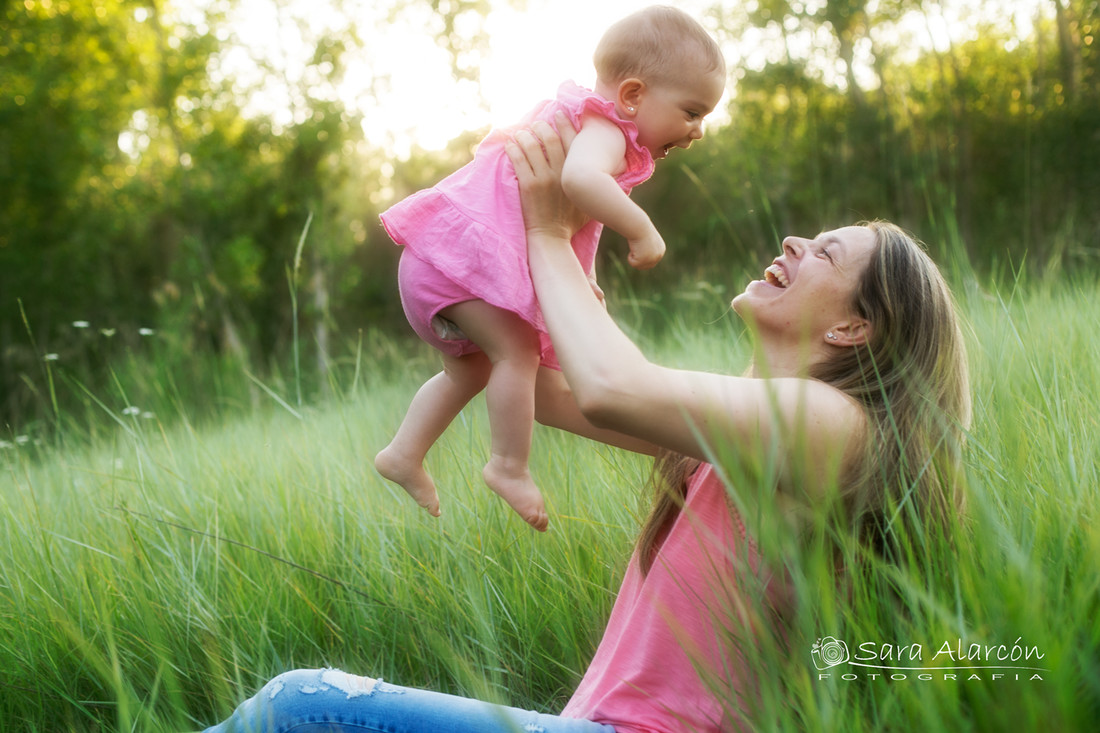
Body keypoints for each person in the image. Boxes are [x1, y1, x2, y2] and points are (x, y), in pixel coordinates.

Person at [202, 117, 971, 731]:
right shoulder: (744, 428)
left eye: (826, 253)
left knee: (301, 705)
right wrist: (467, 272)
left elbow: (608, 386)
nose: (795, 242)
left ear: (855, 329)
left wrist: (544, 234)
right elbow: (546, 387)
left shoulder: (835, 425)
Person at [375, 6, 726, 531]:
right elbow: (581, 184)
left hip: (437, 262)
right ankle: (508, 465)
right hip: (458, 263)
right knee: (515, 352)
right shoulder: (606, 129)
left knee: (469, 370)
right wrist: (642, 229)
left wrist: (583, 281)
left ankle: (403, 453)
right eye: (693, 111)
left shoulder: (585, 121)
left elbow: (553, 223)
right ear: (632, 96)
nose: (698, 131)